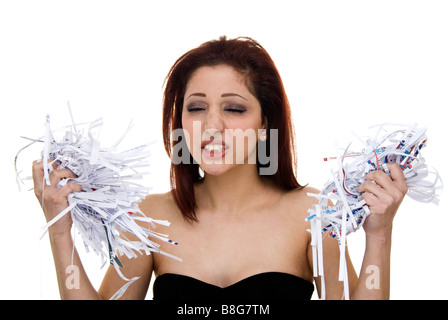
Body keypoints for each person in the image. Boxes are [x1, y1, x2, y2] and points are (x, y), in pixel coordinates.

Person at [32, 36, 408, 300]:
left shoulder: (312, 215)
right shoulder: (149, 218)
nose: (212, 126)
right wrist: (60, 231)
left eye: (234, 108)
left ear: (265, 124)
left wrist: (378, 235)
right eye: (196, 108)